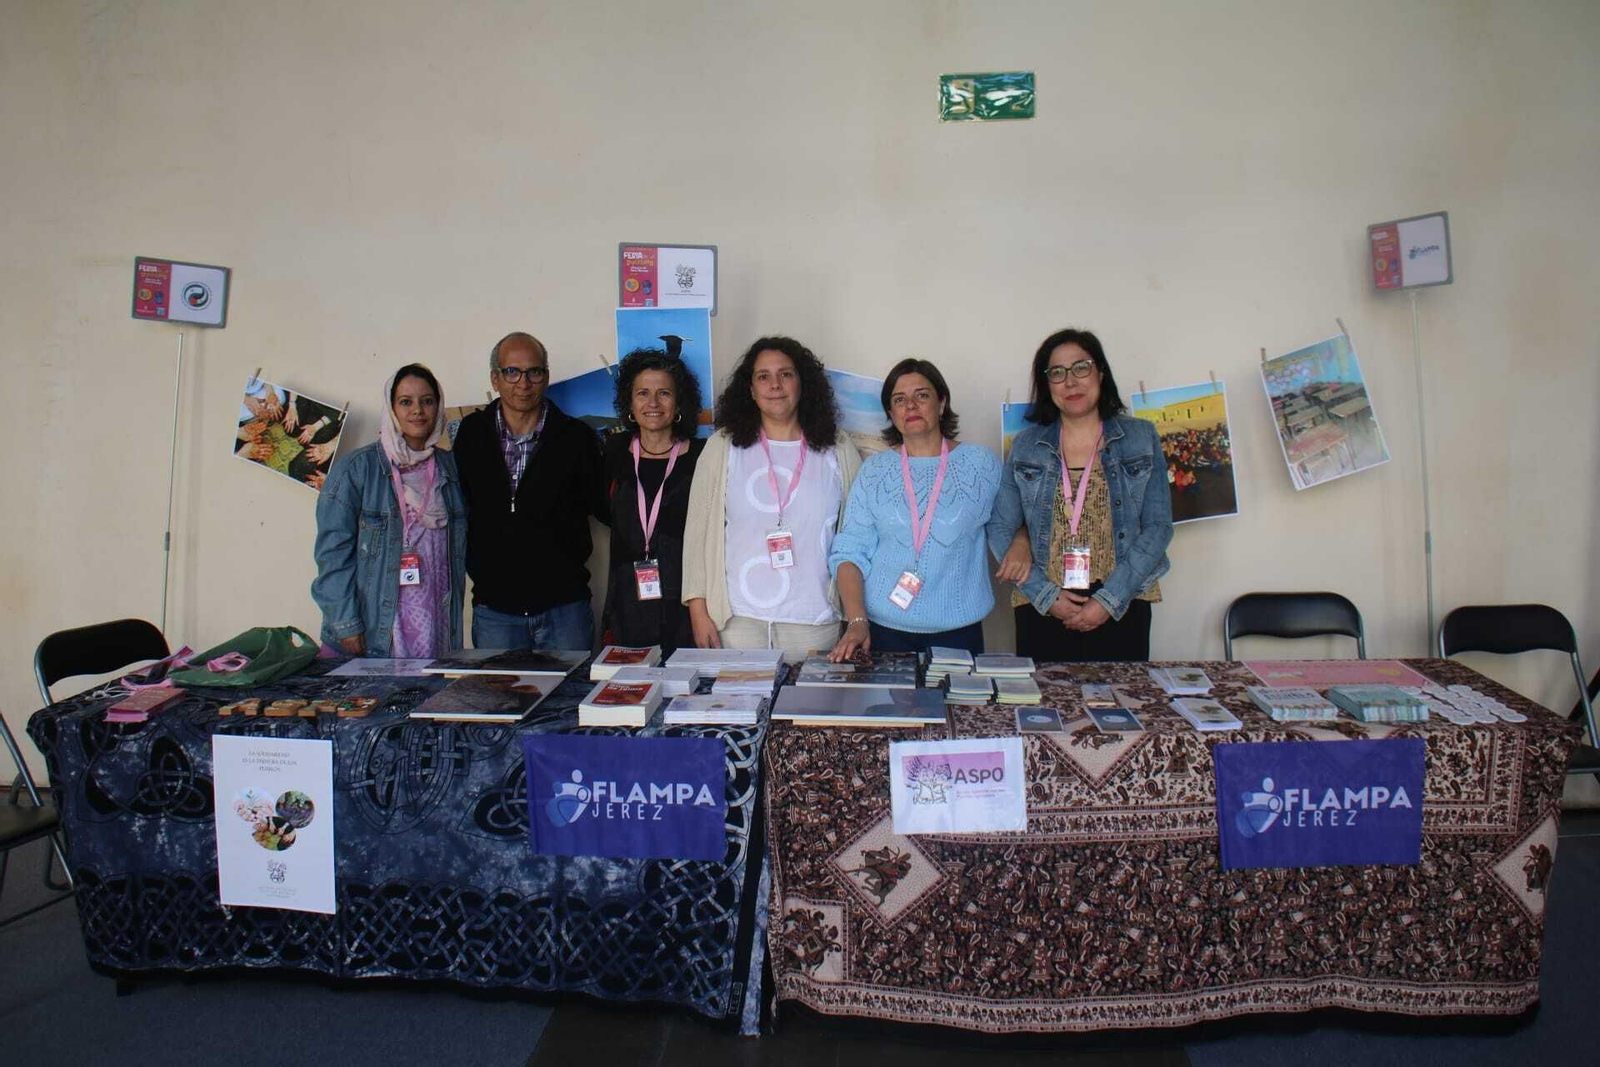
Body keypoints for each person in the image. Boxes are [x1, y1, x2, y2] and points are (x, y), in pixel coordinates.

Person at [991, 328, 1173, 661]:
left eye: (1081, 367)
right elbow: (1001, 527)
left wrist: (1109, 600)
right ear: (1047, 384)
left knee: (1123, 694)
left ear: (1100, 373)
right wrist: (1045, 596)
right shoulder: (1026, 446)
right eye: (1057, 373)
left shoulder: (1140, 437)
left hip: (1123, 602)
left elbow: (1159, 527)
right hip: (1043, 605)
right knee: (1045, 696)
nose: (1070, 382)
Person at [682, 336, 862, 656]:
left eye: (786, 374)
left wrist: (855, 615)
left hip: (814, 621)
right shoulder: (723, 446)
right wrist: (698, 610)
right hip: (736, 622)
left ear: (803, 384)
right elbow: (697, 534)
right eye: (763, 376)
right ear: (751, 390)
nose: (775, 385)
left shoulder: (837, 447)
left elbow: (857, 533)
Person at [827, 359, 1005, 659]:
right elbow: (849, 552)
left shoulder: (980, 464)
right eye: (899, 400)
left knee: (957, 695)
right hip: (882, 631)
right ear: (890, 413)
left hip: (959, 632)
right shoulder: (875, 471)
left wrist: (1021, 540)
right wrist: (857, 621)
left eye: (922, 395)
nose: (910, 405)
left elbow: (1007, 525)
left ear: (941, 403)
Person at [452, 331, 607, 651]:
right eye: (512, 372)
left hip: (565, 609)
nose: (523, 383)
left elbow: (605, 507)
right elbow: (456, 507)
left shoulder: (576, 437)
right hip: (495, 611)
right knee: (499, 686)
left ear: (546, 377)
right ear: (495, 378)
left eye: (533, 372)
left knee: (571, 686)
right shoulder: (471, 434)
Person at [312, 363, 467, 657]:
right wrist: (347, 625)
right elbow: (332, 555)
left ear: (438, 406)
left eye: (427, 401)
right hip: (377, 625)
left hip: (436, 621)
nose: (417, 410)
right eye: (406, 402)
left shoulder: (450, 468)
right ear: (391, 408)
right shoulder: (357, 470)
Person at [602, 347, 706, 653]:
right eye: (643, 393)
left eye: (664, 393)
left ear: (679, 403)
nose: (653, 403)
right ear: (630, 404)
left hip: (688, 603)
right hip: (627, 601)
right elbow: (603, 511)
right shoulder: (613, 452)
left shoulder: (702, 456)